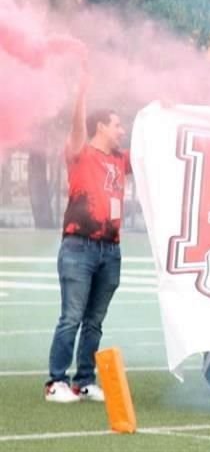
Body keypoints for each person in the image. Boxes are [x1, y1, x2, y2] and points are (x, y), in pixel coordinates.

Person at [45, 69, 130, 403]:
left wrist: (166, 113)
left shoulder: (121, 159)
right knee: (72, 316)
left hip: (110, 249)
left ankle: (83, 380)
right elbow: (76, 127)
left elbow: (158, 148)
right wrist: (81, 94)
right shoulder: (81, 152)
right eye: (118, 125)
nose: (122, 130)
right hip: (79, 246)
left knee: (94, 320)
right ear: (101, 127)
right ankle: (55, 382)